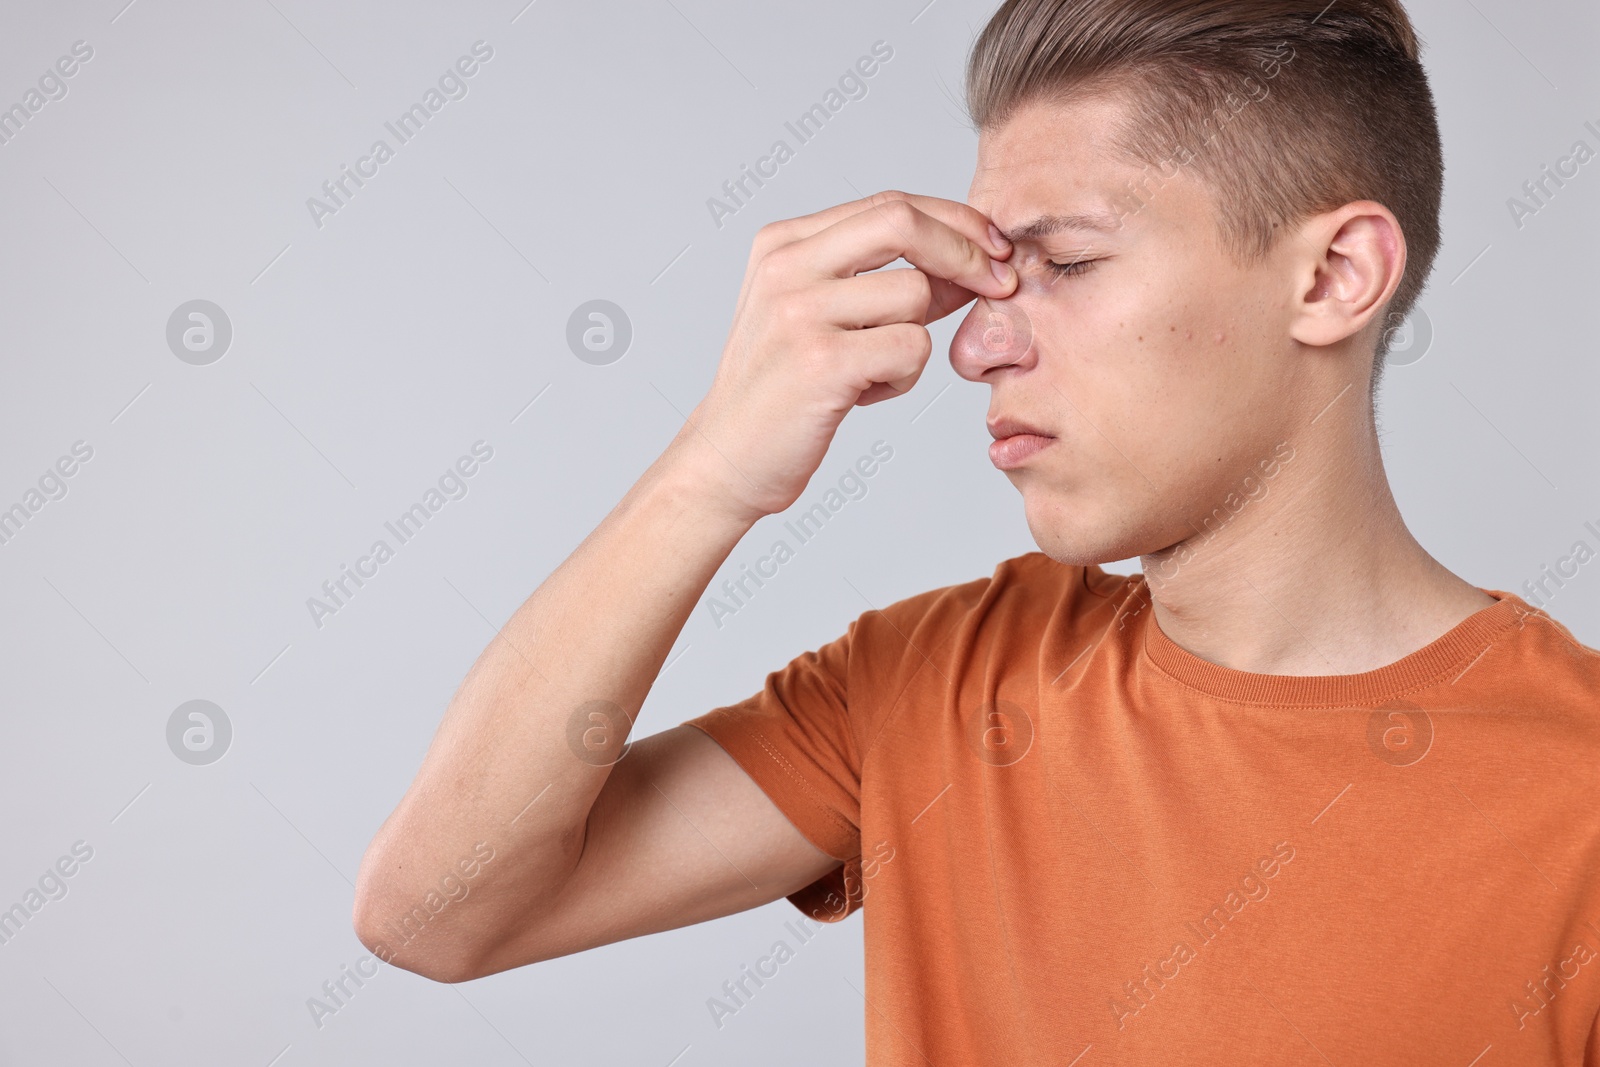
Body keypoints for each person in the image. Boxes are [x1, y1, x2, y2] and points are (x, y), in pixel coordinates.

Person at [353, 0, 1600, 1062]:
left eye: (1064, 264)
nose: (976, 343)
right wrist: (710, 470)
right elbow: (435, 915)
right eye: (992, 277)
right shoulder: (933, 683)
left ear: (1332, 278)